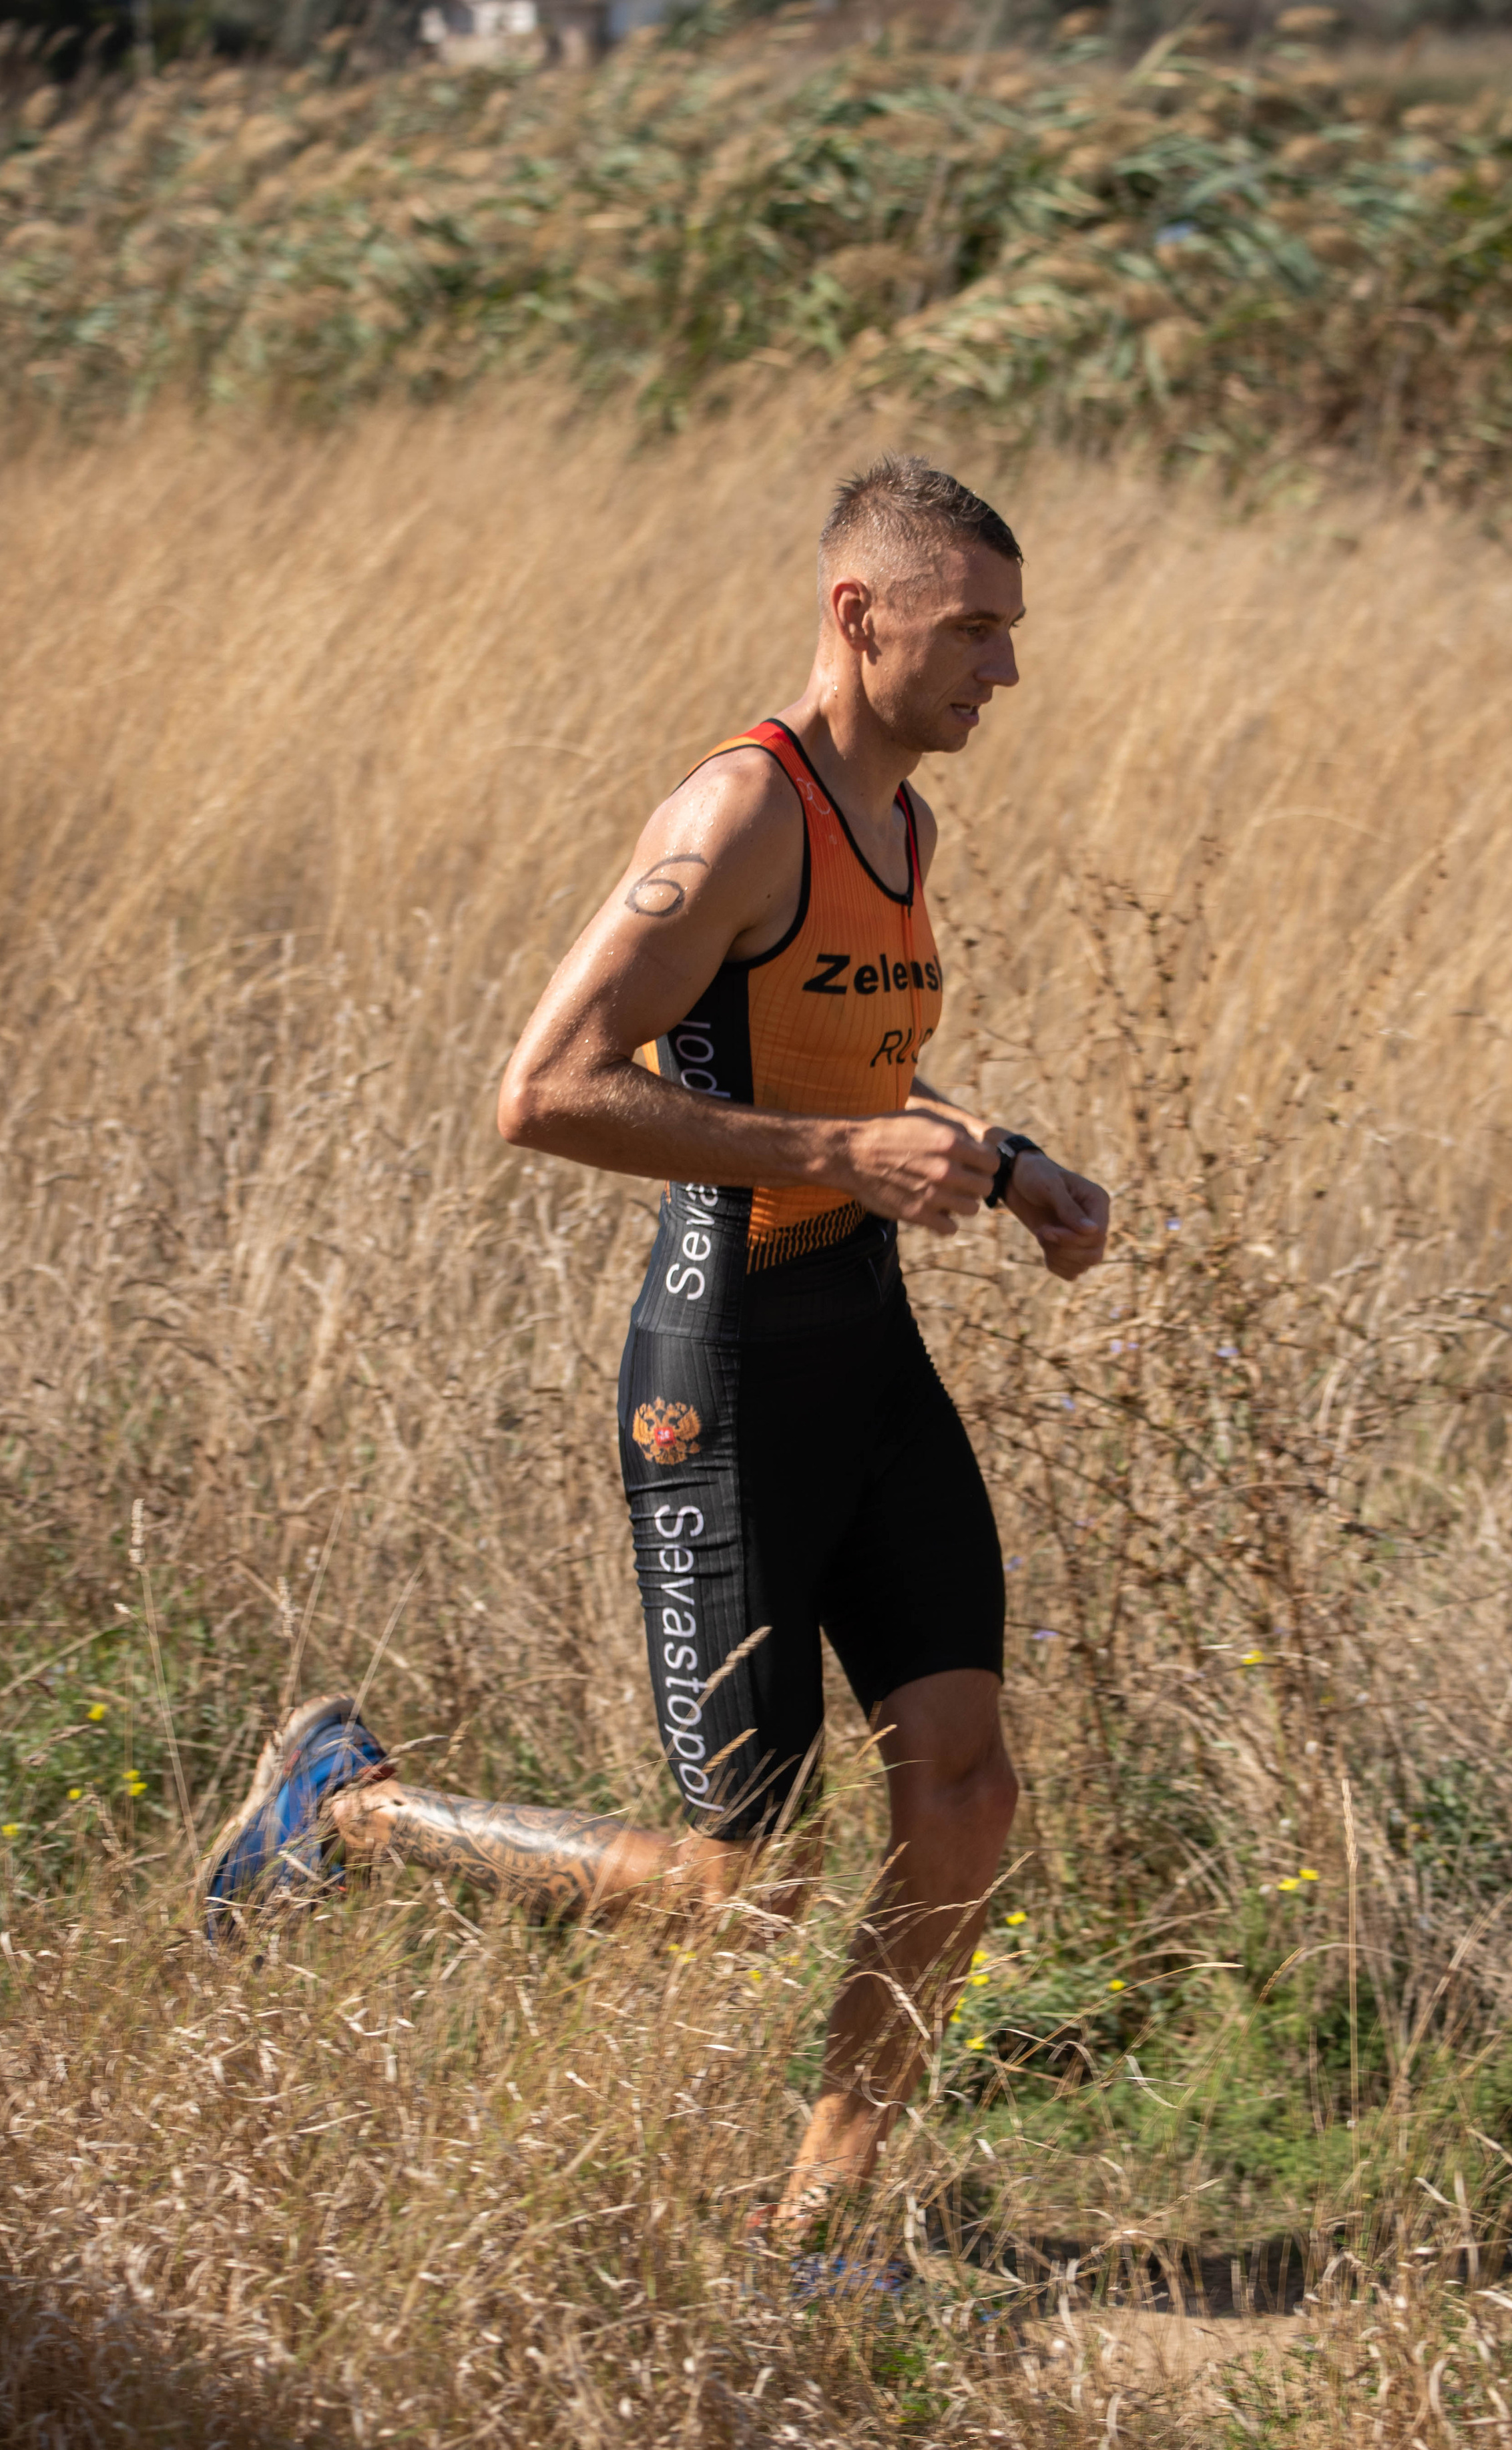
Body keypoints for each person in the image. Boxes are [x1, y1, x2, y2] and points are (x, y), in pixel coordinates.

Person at [202, 455, 1109, 2232]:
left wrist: (998, 1164)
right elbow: (541, 1093)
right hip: (731, 1367)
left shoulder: (906, 823)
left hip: (870, 1341)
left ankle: (821, 2230)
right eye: (975, 630)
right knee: (735, 1881)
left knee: (965, 1794)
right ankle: (351, 1813)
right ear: (860, 617)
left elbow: (823, 1067)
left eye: (1014, 632)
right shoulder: (738, 817)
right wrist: (850, 1155)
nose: (1005, 670)